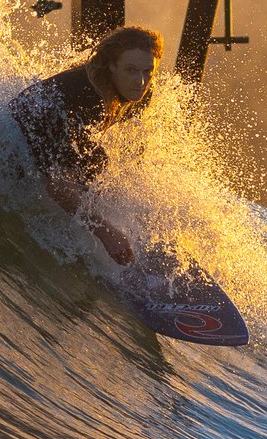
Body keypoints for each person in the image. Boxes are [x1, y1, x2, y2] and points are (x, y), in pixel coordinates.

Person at [9, 25, 163, 265]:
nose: (140, 81)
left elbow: (135, 152)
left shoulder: (141, 91)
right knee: (94, 162)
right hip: (18, 137)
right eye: (131, 70)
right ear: (111, 66)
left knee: (99, 163)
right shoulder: (85, 99)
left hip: (49, 129)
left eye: (148, 71)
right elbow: (57, 185)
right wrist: (106, 232)